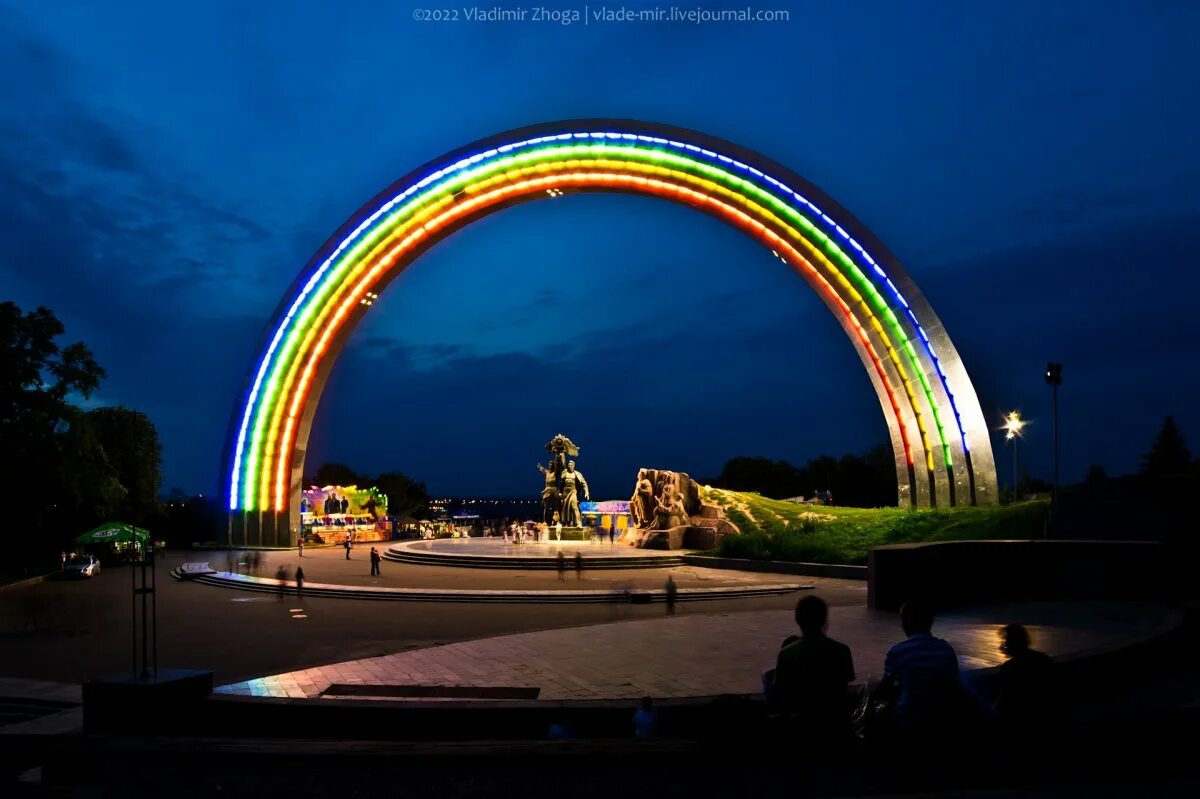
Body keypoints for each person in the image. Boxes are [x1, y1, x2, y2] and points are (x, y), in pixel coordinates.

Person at [770, 596, 856, 747]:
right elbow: (843, 688)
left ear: (797, 619)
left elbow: (781, 694)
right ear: (824, 620)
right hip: (834, 725)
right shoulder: (842, 651)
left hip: (801, 727)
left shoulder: (786, 654)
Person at [879, 598, 963, 739]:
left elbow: (884, 688)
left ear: (905, 623)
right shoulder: (946, 648)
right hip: (943, 717)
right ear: (930, 622)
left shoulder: (897, 651)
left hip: (910, 718)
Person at [994, 623, 1054, 730]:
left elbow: (1005, 699)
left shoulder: (1009, 667)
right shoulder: (1043, 659)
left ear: (1012, 642)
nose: (1001, 646)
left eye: (1005, 640)